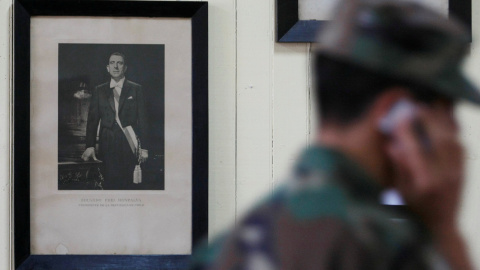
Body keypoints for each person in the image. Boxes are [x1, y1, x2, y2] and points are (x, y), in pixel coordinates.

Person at [191, 0, 478, 269]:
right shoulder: (386, 248)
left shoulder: (224, 248)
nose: (454, 129)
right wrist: (444, 230)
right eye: (446, 109)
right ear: (395, 112)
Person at [82, 52, 149, 190]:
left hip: (130, 144)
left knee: (129, 185)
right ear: (108, 68)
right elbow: (93, 120)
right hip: (107, 144)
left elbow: (143, 120)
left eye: (120, 63)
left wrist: (145, 148)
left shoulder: (136, 89)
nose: (116, 66)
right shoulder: (99, 90)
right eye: (112, 63)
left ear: (125, 68)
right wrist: (90, 146)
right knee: (109, 183)